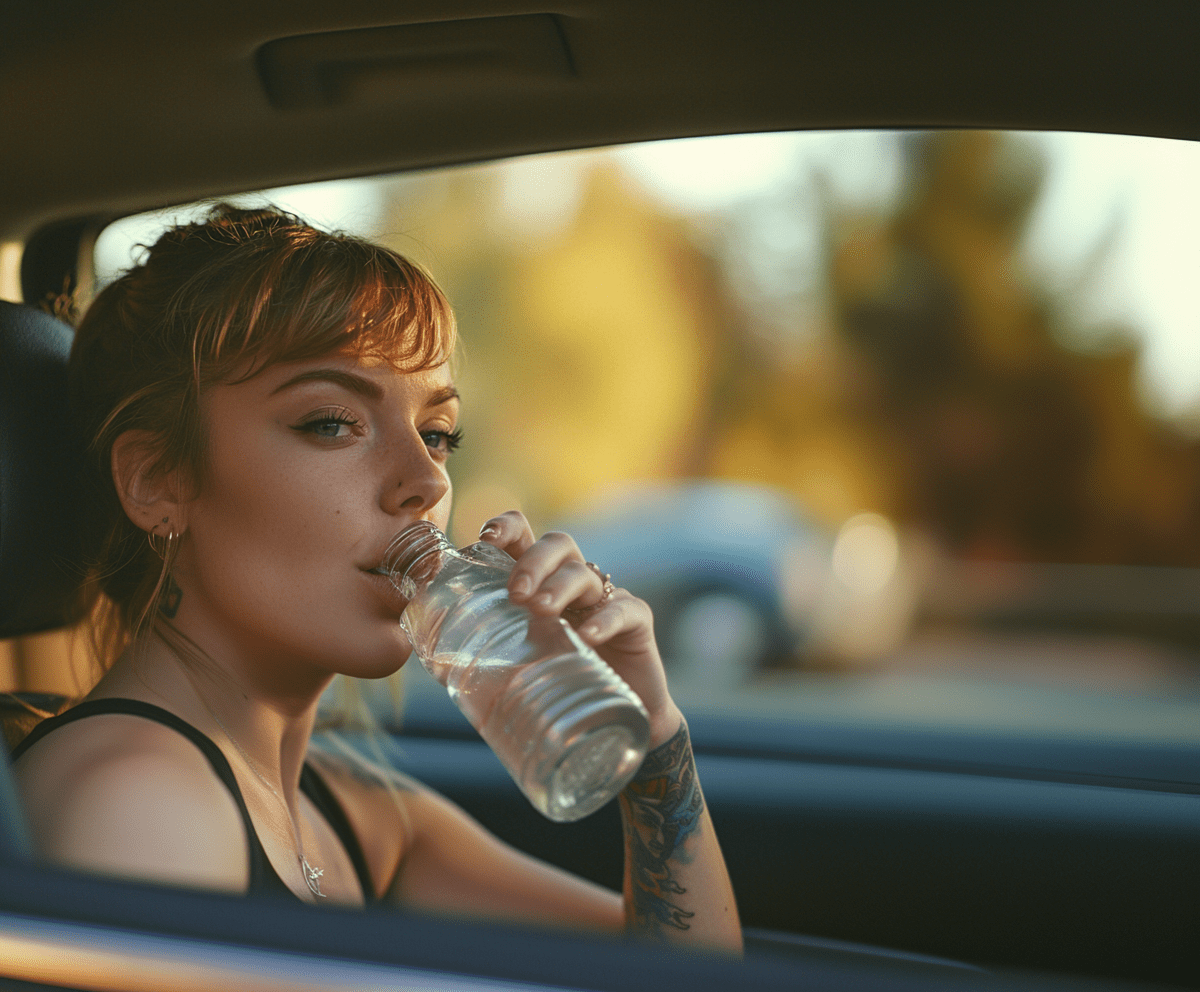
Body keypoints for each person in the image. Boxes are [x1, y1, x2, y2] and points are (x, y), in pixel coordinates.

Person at [11, 205, 742, 954]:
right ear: (158, 481)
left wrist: (655, 739)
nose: (425, 479)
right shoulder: (141, 806)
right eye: (331, 422)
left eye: (437, 434)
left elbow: (685, 979)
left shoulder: (347, 809)